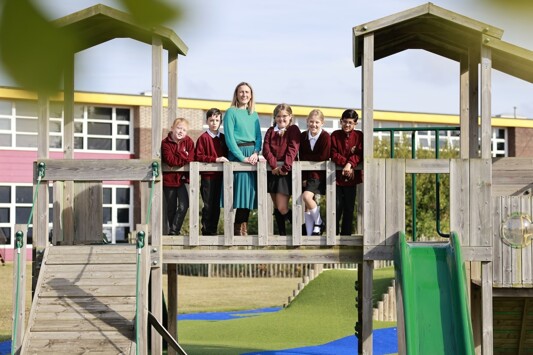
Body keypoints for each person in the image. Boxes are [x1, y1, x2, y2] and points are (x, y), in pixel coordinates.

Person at [223, 82, 262, 236]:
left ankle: (242, 227)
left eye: (247, 92)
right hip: (238, 153)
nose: (244, 95)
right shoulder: (231, 112)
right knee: (240, 192)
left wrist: (256, 152)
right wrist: (241, 157)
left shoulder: (254, 114)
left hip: (252, 154)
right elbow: (230, 138)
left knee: (250, 193)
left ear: (251, 95)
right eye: (241, 92)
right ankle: (236, 227)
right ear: (236, 94)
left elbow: (259, 136)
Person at [262, 103, 300, 236]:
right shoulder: (270, 131)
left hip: (286, 173)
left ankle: (300, 228)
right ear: (275, 118)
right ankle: (282, 234)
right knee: (277, 207)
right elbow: (265, 150)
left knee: (282, 207)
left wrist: (284, 168)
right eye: (278, 116)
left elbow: (292, 149)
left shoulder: (293, 129)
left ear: (290, 117)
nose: (281, 119)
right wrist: (274, 166)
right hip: (273, 172)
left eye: (284, 116)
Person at [195, 108, 229, 236]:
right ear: (207, 121)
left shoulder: (224, 138)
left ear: (220, 121)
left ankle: (213, 230)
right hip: (208, 177)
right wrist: (215, 159)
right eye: (211, 120)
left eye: (217, 120)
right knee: (208, 204)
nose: (214, 123)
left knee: (216, 205)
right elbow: (198, 156)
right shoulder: (203, 138)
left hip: (221, 177)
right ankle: (206, 230)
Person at [331, 109, 363, 236]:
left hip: (351, 179)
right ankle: (333, 235)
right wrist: (346, 164)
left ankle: (346, 237)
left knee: (349, 208)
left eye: (350, 123)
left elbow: (360, 154)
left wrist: (350, 164)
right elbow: (333, 154)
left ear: (355, 124)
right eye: (345, 122)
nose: (347, 125)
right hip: (337, 179)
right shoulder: (334, 135)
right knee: (336, 208)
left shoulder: (359, 136)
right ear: (341, 121)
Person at [299, 109, 331, 236]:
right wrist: (304, 177)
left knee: (306, 197)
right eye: (311, 122)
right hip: (306, 174)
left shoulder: (325, 137)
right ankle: (309, 234)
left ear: (322, 123)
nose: (314, 125)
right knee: (307, 204)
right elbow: (302, 156)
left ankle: (319, 222)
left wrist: (309, 159)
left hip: (319, 175)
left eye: (317, 122)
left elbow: (323, 156)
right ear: (307, 122)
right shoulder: (303, 136)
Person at [161, 118, 195, 235]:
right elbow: (170, 160)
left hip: (182, 179)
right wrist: (183, 157)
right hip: (169, 180)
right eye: (179, 128)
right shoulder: (165, 143)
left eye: (184, 130)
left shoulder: (189, 142)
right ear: (172, 128)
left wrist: (180, 156)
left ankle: (174, 230)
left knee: (184, 205)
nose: (181, 131)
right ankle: (173, 232)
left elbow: (190, 158)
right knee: (171, 208)